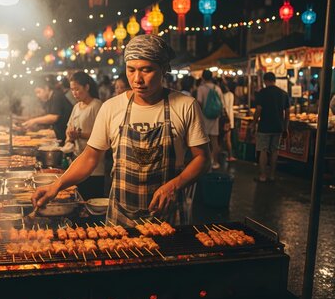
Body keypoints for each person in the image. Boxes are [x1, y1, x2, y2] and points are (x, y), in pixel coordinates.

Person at [32, 34, 210, 226]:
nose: (137, 79)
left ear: (164, 69)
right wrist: (56, 186)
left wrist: (175, 185)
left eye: (147, 70)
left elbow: (203, 159)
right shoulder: (112, 107)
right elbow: (91, 156)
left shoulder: (185, 106)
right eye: (131, 70)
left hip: (167, 217)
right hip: (121, 218)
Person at [66, 71, 105, 199]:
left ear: (87, 87)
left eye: (77, 89)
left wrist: (80, 135)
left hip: (94, 166)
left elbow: (103, 135)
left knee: (92, 201)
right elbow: (69, 127)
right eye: (72, 90)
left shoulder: (96, 105)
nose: (74, 93)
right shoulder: (76, 107)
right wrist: (69, 137)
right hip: (78, 160)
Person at [251, 72, 290, 183]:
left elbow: (258, 110)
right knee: (274, 151)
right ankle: (272, 175)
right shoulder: (283, 93)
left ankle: (263, 176)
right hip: (278, 126)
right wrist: (285, 127)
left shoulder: (262, 93)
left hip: (264, 126)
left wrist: (254, 123)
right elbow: (287, 113)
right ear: (274, 80)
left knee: (263, 150)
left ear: (265, 81)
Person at [23, 76, 73, 144]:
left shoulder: (56, 96)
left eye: (39, 92)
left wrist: (34, 121)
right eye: (36, 93)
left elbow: (54, 117)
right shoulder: (49, 98)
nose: (37, 95)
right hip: (61, 134)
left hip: (67, 136)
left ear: (46, 88)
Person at [196, 70, 224, 169]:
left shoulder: (201, 88)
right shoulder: (217, 88)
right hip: (215, 117)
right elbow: (222, 104)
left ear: (203, 77)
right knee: (214, 141)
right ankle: (214, 162)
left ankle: (205, 162)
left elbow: (199, 102)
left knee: (204, 142)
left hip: (204, 117)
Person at [220, 79, 236, 162]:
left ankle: (225, 154)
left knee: (222, 138)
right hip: (229, 119)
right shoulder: (231, 94)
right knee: (228, 138)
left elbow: (223, 108)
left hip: (224, 119)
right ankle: (230, 156)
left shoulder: (221, 95)